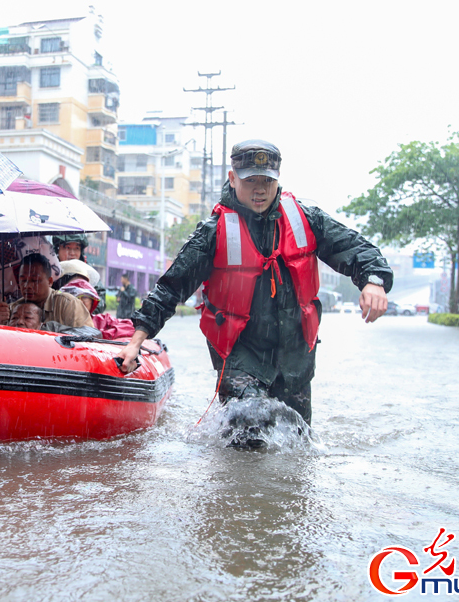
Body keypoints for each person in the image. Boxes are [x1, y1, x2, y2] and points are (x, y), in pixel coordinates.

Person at [119, 139, 392, 424]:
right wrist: (136, 341)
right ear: (232, 178)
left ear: (278, 179)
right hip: (240, 356)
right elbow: (171, 288)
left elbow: (358, 249)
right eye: (250, 180)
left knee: (296, 440)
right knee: (248, 427)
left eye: (267, 181)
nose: (259, 189)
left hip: (294, 360)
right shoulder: (213, 232)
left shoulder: (308, 220)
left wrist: (373, 281)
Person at [0, 253, 94, 329]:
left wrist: (47, 328)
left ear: (50, 282)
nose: (27, 286)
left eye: (34, 280)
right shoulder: (13, 309)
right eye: (23, 280)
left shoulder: (68, 305)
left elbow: (89, 336)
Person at [57, 259, 136, 339]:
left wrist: (101, 334)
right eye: (75, 296)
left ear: (92, 301)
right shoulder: (56, 320)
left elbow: (132, 326)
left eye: (85, 297)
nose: (80, 301)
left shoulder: (101, 321)